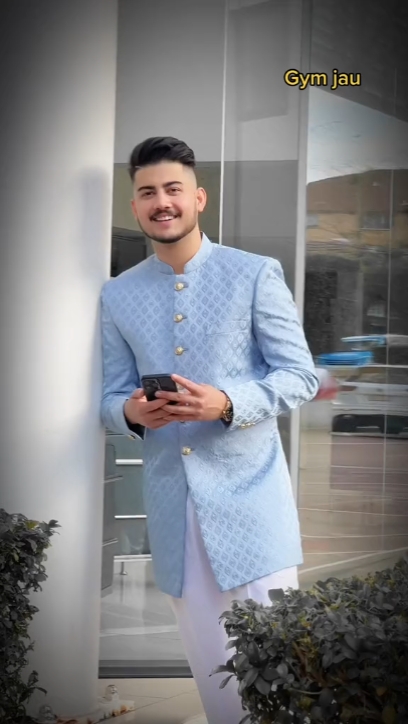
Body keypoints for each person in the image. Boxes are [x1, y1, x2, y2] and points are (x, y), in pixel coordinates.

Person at [100, 136, 320, 724]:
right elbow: (109, 396)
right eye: (148, 192)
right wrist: (131, 414)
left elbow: (300, 376)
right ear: (135, 206)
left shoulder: (254, 273)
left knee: (281, 668)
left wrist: (226, 402)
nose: (162, 202)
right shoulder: (117, 294)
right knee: (214, 674)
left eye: (173, 189)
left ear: (199, 198)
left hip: (253, 505)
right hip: (173, 509)